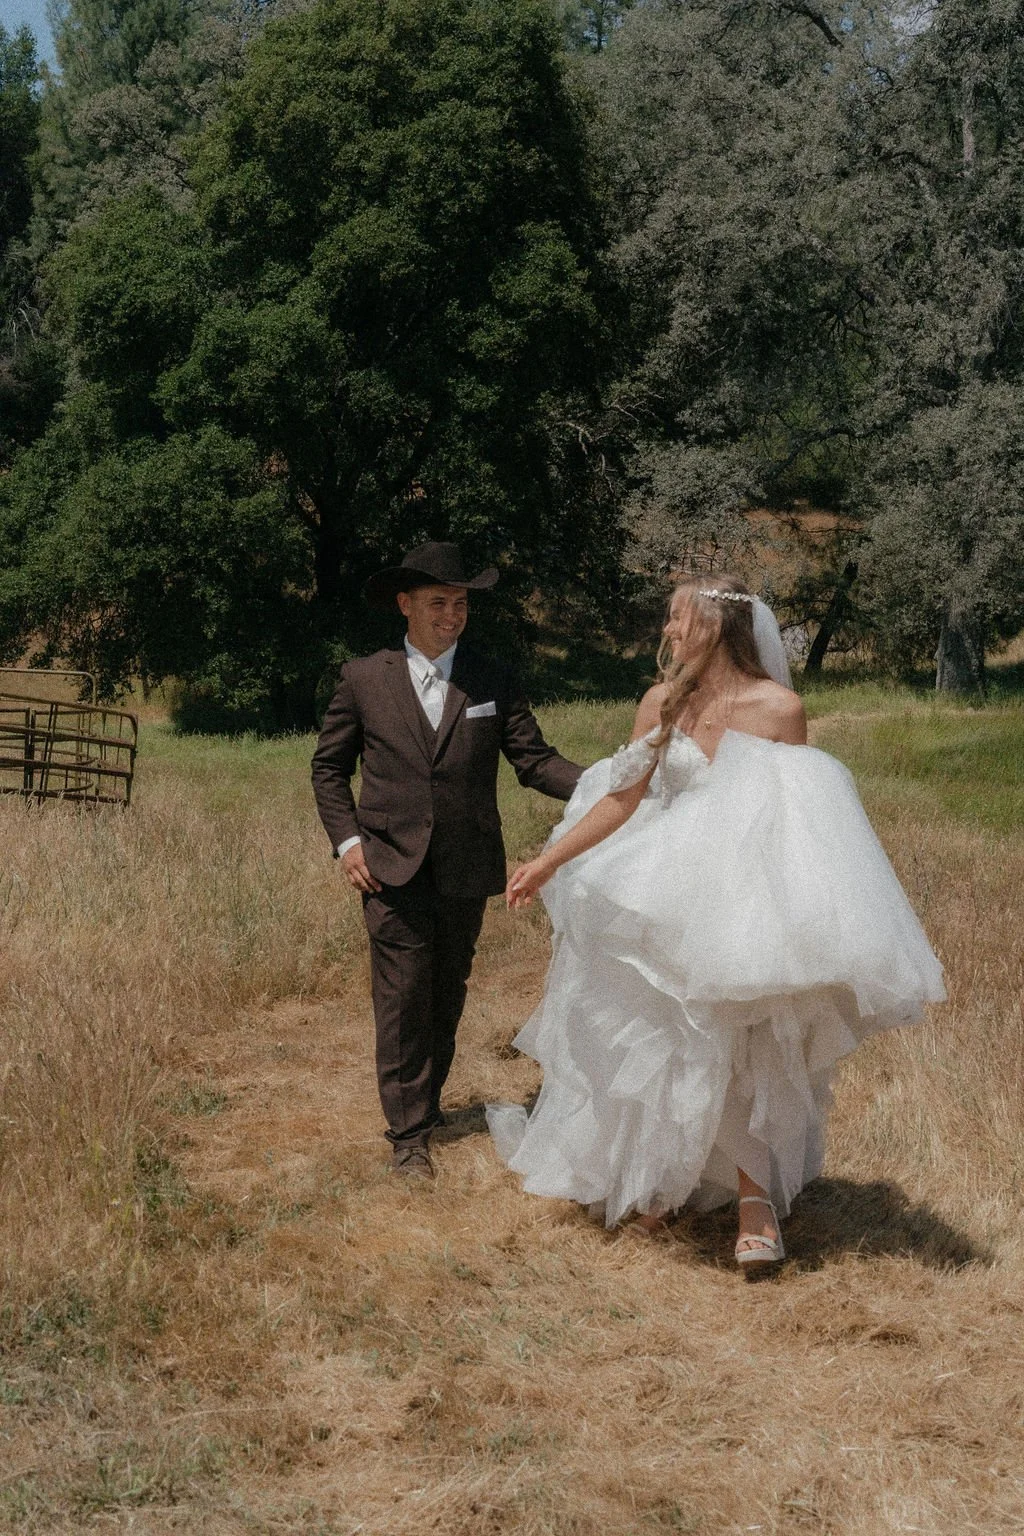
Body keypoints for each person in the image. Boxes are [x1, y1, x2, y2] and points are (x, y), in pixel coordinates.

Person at [488, 574, 945, 1272]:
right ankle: (658, 1185)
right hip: (661, 890)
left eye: (677, 619)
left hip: (744, 901)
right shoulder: (661, 703)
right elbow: (621, 798)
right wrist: (550, 860)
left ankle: (757, 1205)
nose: (668, 632)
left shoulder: (778, 708)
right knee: (666, 1039)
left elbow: (804, 823)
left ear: (713, 624)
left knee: (751, 1048)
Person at [311, 541, 582, 1180]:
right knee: (403, 995)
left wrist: (614, 781)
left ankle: (424, 1106)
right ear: (405, 604)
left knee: (444, 994)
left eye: (461, 603)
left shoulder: (490, 677)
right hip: (388, 866)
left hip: (465, 866)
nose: (453, 614)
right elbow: (328, 769)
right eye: (439, 602)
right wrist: (348, 842)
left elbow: (534, 762)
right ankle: (408, 1137)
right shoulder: (363, 678)